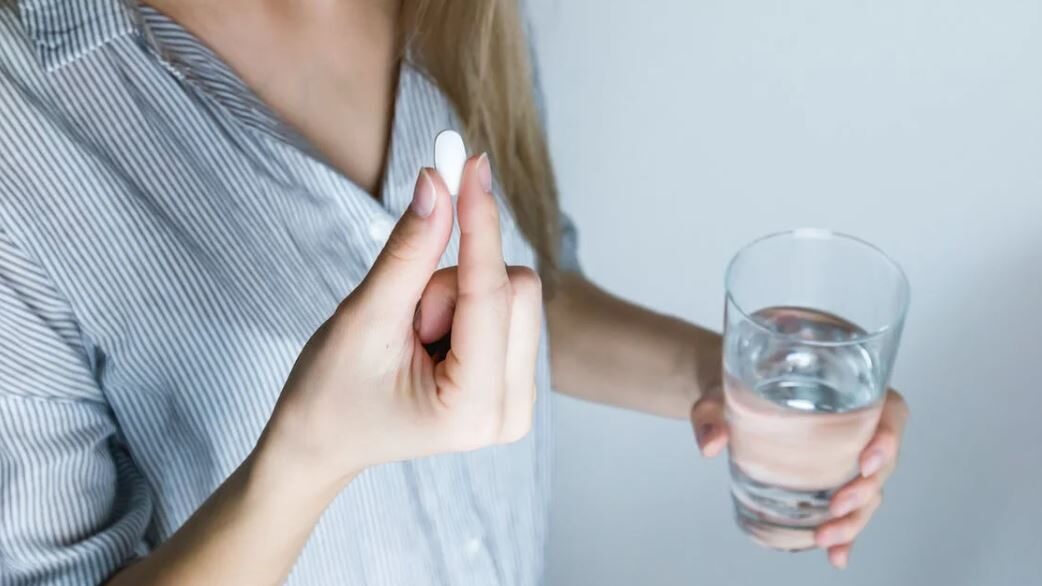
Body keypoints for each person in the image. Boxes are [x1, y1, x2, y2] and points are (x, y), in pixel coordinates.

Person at [0, 1, 909, 584]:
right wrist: (308, 455)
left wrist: (722, 378)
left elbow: (527, 295)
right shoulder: (25, 115)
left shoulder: (463, 12)